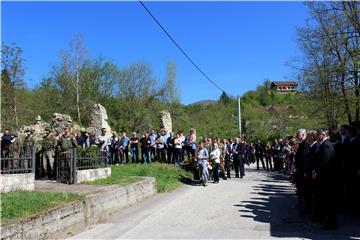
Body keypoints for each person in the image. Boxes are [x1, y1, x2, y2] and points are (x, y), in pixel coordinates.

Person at [313, 129, 337, 229]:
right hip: (325, 178)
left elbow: (326, 163)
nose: (316, 136)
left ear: (323, 135)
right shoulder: (324, 144)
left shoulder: (326, 145)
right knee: (325, 201)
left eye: (318, 134)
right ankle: (326, 220)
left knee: (328, 201)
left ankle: (331, 223)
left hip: (326, 179)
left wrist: (318, 173)